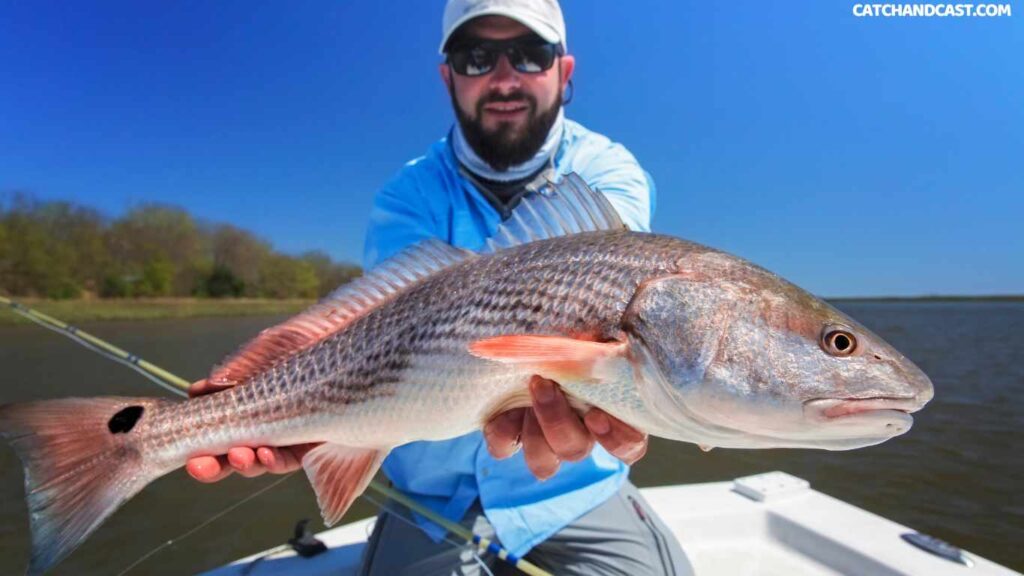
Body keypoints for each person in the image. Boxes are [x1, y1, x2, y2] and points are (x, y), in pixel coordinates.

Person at [187, 1, 691, 574]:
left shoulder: (607, 171)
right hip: (425, 497)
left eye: (530, 54)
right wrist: (279, 378)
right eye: (476, 57)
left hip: (571, 492)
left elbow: (617, 285)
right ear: (448, 75)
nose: (504, 76)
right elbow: (372, 326)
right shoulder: (407, 193)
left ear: (564, 71)